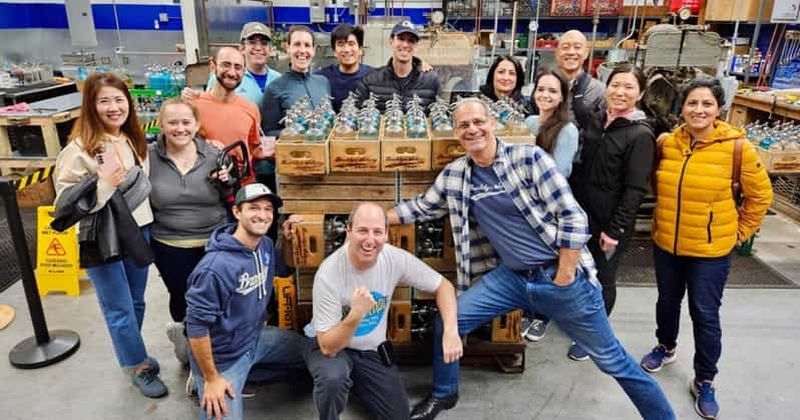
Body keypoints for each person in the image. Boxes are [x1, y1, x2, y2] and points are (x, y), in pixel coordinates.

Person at [389, 97, 675, 420]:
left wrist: (565, 274)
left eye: (478, 122)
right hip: (511, 278)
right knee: (451, 318)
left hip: (559, 278)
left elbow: (573, 217)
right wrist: (373, 221)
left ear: (492, 123)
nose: (472, 129)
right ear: (456, 132)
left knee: (614, 361)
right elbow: (422, 206)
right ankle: (444, 393)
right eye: (464, 125)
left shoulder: (528, 159)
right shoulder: (457, 175)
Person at [640, 78, 772, 420]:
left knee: (705, 313)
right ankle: (665, 346)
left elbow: (761, 197)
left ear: (718, 109)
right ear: (681, 108)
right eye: (692, 103)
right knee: (667, 301)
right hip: (667, 241)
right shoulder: (667, 143)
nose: (699, 110)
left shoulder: (736, 148)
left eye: (707, 104)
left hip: (711, 251)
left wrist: (738, 234)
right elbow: (656, 182)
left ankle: (705, 378)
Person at [53, 72, 166, 398]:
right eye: (104, 101)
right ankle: (139, 366)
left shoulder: (132, 139)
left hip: (138, 230)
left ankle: (134, 353)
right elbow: (64, 203)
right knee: (118, 307)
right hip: (101, 236)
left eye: (119, 100)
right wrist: (103, 185)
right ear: (91, 105)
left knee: (135, 301)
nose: (114, 107)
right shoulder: (79, 149)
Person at [302, 202, 461, 420]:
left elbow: (443, 286)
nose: (370, 240)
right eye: (362, 231)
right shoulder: (329, 274)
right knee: (333, 378)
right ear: (349, 231)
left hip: (369, 351)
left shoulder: (393, 258)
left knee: (398, 416)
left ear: (386, 234)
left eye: (377, 232)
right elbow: (328, 346)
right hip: (332, 347)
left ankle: (358, 381)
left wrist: (451, 331)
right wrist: (356, 313)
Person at [185, 183, 307, 420]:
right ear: (237, 212)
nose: (262, 215)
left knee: (313, 353)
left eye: (268, 209)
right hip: (223, 359)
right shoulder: (215, 268)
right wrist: (211, 378)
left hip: (254, 339)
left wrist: (288, 239)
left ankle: (241, 371)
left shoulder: (266, 245)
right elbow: (197, 325)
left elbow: (283, 269)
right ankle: (199, 372)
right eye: (253, 208)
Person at [565, 64, 656, 361]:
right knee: (581, 274)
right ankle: (582, 325)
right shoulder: (597, 120)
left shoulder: (640, 135)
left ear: (640, 93)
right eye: (615, 84)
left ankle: (596, 338)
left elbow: (634, 190)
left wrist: (615, 230)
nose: (620, 92)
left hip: (609, 223)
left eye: (629, 87)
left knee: (603, 279)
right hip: (583, 216)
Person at [148, 98, 230, 365]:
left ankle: (215, 350)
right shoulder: (148, 158)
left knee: (216, 299)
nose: (179, 128)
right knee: (182, 298)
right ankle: (190, 350)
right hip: (169, 244)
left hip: (212, 243)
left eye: (186, 122)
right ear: (161, 125)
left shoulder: (214, 155)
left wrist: (227, 183)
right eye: (172, 122)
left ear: (197, 125)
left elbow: (229, 196)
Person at [193, 46, 265, 185]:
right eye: (226, 65)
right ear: (212, 66)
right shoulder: (193, 106)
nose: (232, 72)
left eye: (238, 67)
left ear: (244, 72)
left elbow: (252, 149)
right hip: (204, 186)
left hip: (241, 187)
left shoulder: (251, 109)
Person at [260, 25, 331, 137]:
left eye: (307, 45)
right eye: (297, 44)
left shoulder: (323, 83)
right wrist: (296, 134)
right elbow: (267, 133)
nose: (302, 51)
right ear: (288, 48)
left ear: (313, 50)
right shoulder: (274, 88)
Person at [354, 20, 441, 112]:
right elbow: (355, 115)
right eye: (401, 38)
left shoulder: (431, 81)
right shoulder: (371, 80)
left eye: (411, 40)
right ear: (391, 40)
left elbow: (442, 115)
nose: (405, 45)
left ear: (416, 46)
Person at [205, 22, 281, 106]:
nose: (258, 48)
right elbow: (208, 106)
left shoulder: (279, 79)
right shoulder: (225, 77)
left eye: (264, 43)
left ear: (270, 49)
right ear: (242, 48)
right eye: (252, 42)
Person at [524, 68, 579, 178]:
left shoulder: (568, 131)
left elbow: (559, 174)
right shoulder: (529, 122)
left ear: (562, 97)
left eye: (552, 91)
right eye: (540, 89)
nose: (545, 95)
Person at [553, 30, 605, 131]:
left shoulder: (599, 90)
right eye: (565, 47)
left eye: (577, 47)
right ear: (557, 53)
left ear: (586, 53)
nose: (571, 52)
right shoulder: (545, 85)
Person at [316, 23, 373, 112]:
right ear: (334, 51)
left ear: (360, 50)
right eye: (341, 44)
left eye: (351, 43)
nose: (346, 49)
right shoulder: (321, 78)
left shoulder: (374, 77)